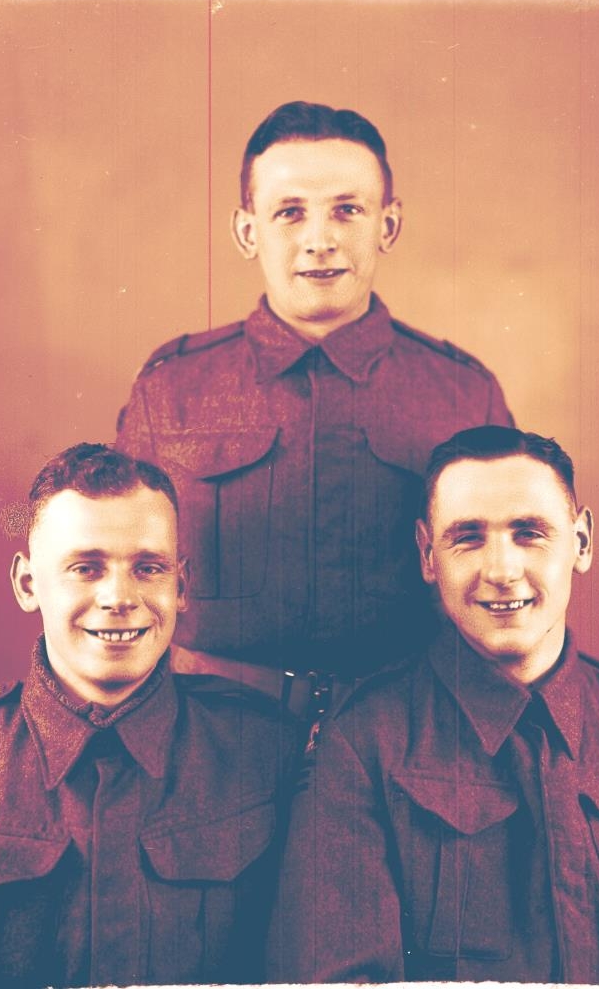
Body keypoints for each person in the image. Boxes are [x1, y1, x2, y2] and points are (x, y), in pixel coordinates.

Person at [116, 101, 513, 706]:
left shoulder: (462, 392)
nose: (320, 241)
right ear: (248, 232)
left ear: (388, 226)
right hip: (211, 726)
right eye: (290, 212)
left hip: (407, 727)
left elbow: (508, 583)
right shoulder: (172, 388)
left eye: (347, 210)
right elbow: (116, 572)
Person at [267, 425, 599, 986]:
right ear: (427, 555)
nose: (501, 571)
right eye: (468, 538)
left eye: (529, 533)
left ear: (581, 542)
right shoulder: (363, 742)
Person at [0, 444, 295, 989]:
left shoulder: (265, 752)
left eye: (148, 568)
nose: (118, 597)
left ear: (180, 586)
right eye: (86, 568)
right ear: (28, 585)